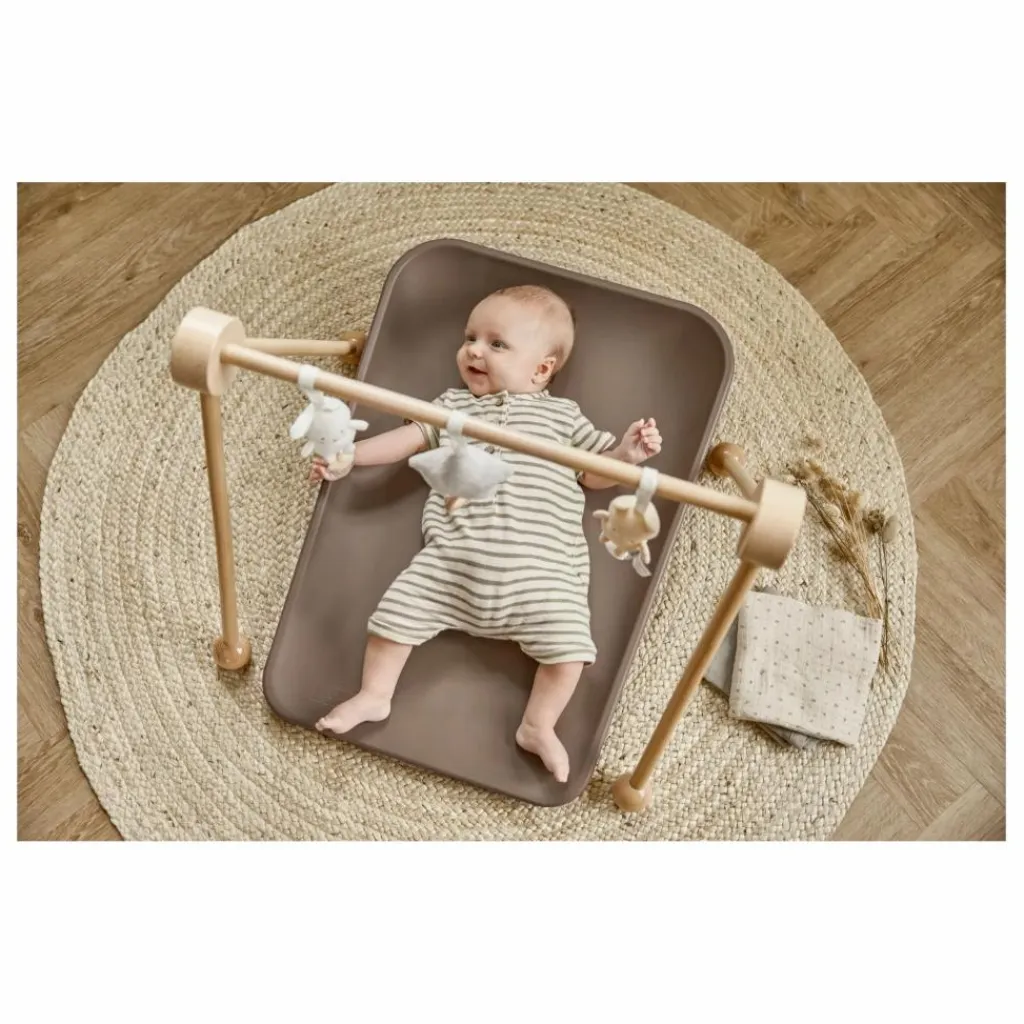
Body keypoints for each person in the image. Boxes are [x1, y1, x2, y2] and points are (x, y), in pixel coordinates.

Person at [311, 284, 661, 782]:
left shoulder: (563, 417)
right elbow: (407, 439)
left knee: (571, 650)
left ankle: (538, 725)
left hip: (542, 578)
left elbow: (594, 474)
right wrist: (351, 457)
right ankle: (374, 695)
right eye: (470, 338)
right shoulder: (454, 407)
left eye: (497, 344)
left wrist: (625, 455)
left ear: (541, 369)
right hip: (454, 561)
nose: (474, 350)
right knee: (392, 617)